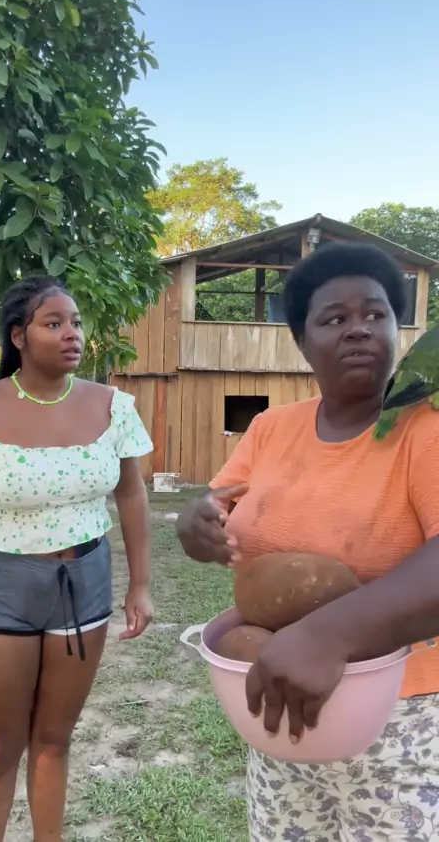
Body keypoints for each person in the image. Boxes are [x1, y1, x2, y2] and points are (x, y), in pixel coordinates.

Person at [176, 242, 439, 842]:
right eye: (334, 318)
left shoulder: (425, 430)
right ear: (302, 341)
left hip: (400, 718)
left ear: (397, 330)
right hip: (278, 699)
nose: (358, 329)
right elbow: (216, 508)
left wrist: (327, 635)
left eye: (375, 314)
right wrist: (195, 524)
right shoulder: (272, 428)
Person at [0, 276, 154, 842]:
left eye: (75, 322)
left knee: (54, 740)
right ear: (18, 336)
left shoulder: (112, 406)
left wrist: (140, 584)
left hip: (85, 582)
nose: (72, 334)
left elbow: (131, 493)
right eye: (54, 323)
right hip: (0, 589)